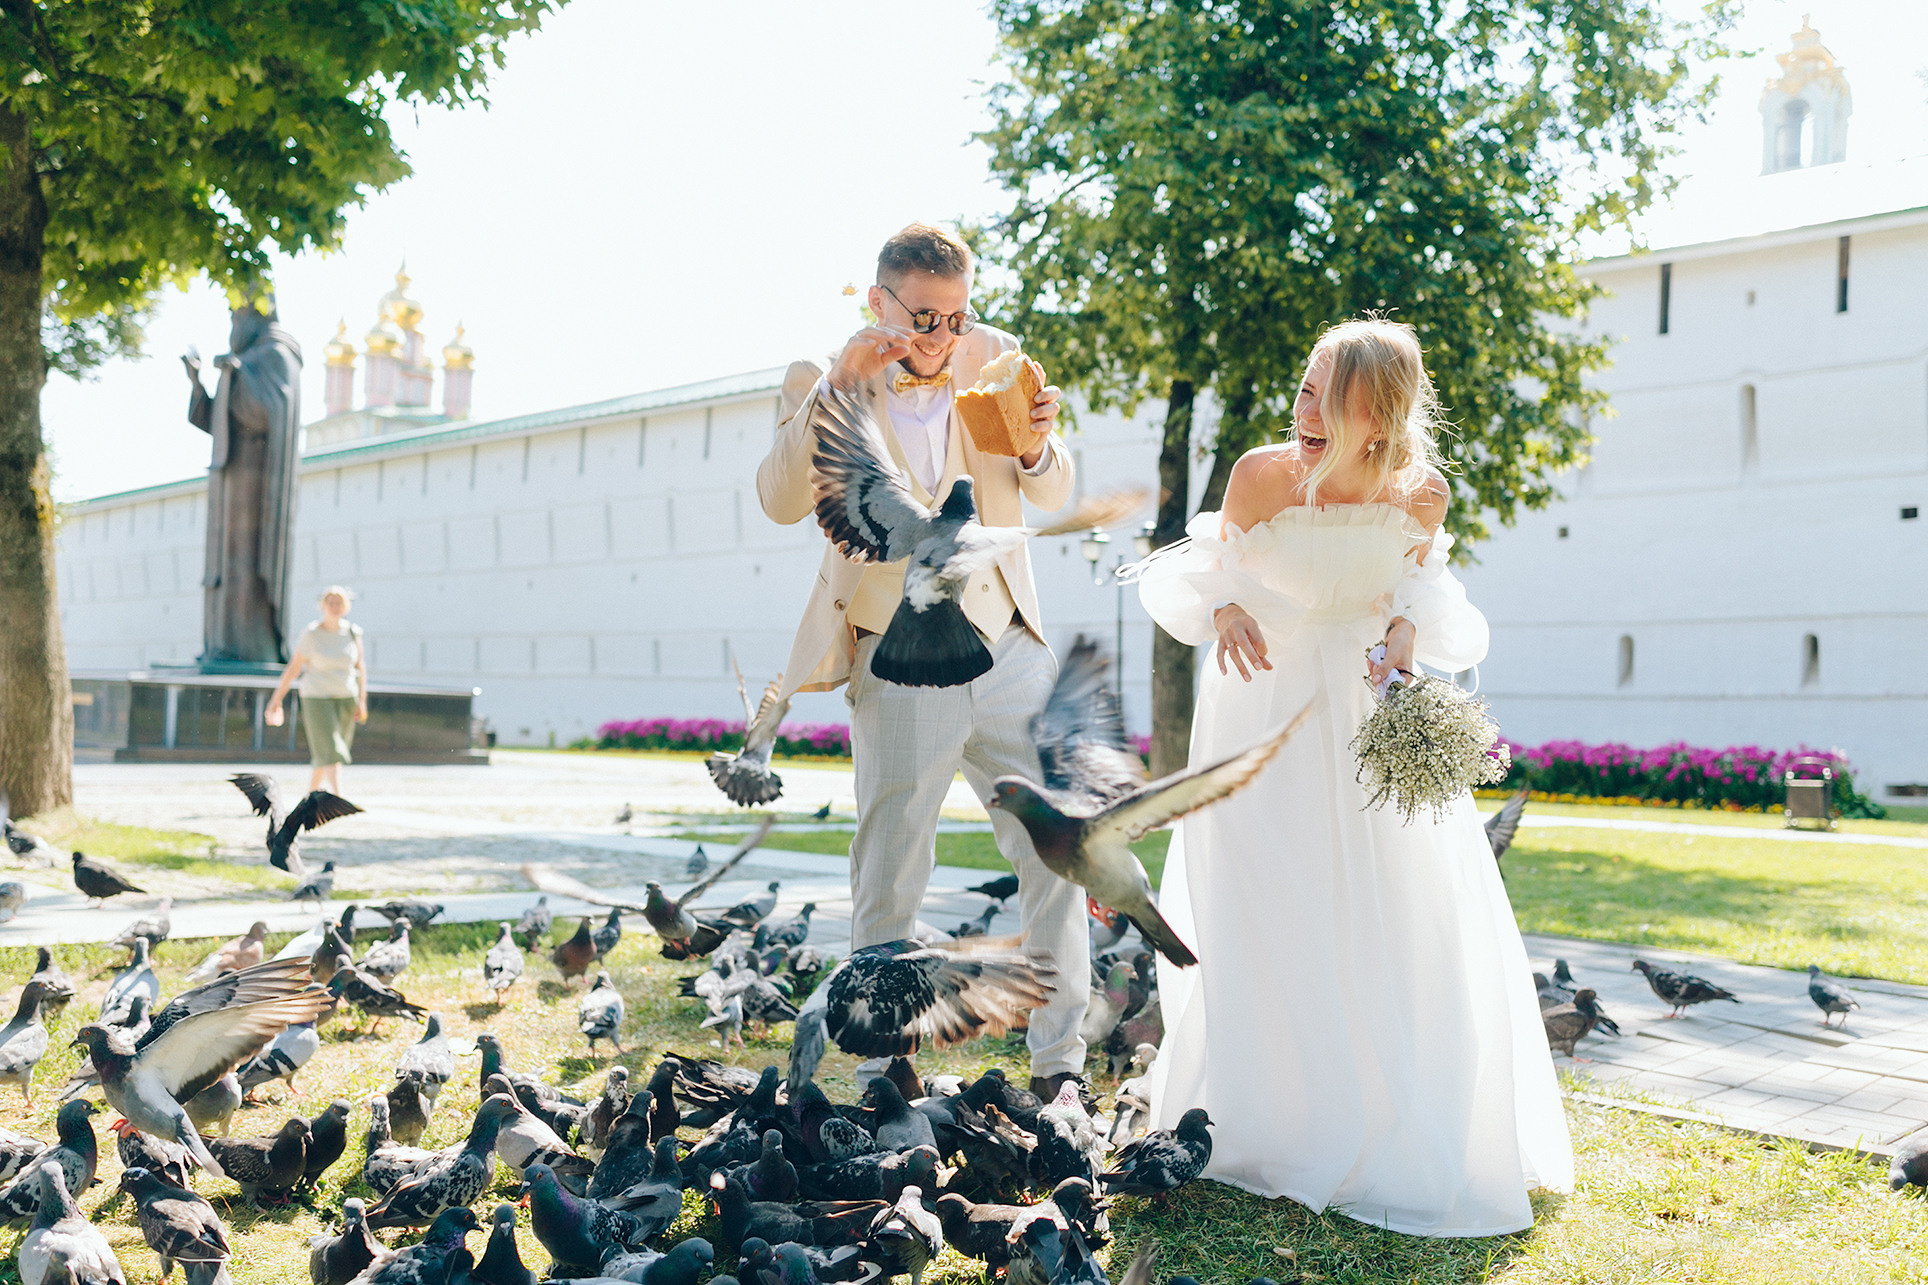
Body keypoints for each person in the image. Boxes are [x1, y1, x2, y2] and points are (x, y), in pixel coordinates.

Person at [1131, 318, 1572, 1235]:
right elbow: (1197, 572)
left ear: (1381, 413)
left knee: (1393, 905)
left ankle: (1384, 1116)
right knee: (1264, 899)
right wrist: (1225, 609)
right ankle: (1267, 1117)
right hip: (1260, 710)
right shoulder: (1259, 474)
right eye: (1303, 387)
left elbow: (1424, 591)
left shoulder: (1423, 492)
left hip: (1371, 716)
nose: (1306, 411)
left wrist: (1405, 630)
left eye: (1331, 398)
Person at [756, 223, 1092, 1097]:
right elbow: (779, 497)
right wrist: (837, 386)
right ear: (877, 302)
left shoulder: (999, 358)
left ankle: (1062, 1068)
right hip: (900, 648)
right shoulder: (817, 378)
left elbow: (1054, 487)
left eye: (957, 315)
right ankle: (883, 1062)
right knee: (894, 857)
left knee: (1061, 850)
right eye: (923, 317)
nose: (942, 337)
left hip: (1007, 639)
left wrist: (1035, 447)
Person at [266, 586, 368, 793]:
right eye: (330, 602)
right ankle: (337, 798)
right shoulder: (311, 634)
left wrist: (362, 701)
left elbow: (360, 668)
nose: (335, 607)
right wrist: (276, 699)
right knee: (331, 749)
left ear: (346, 607)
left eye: (339, 602)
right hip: (317, 698)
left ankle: (310, 795)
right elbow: (294, 667)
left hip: (346, 697)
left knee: (327, 753)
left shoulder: (352, 632)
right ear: (323, 606)